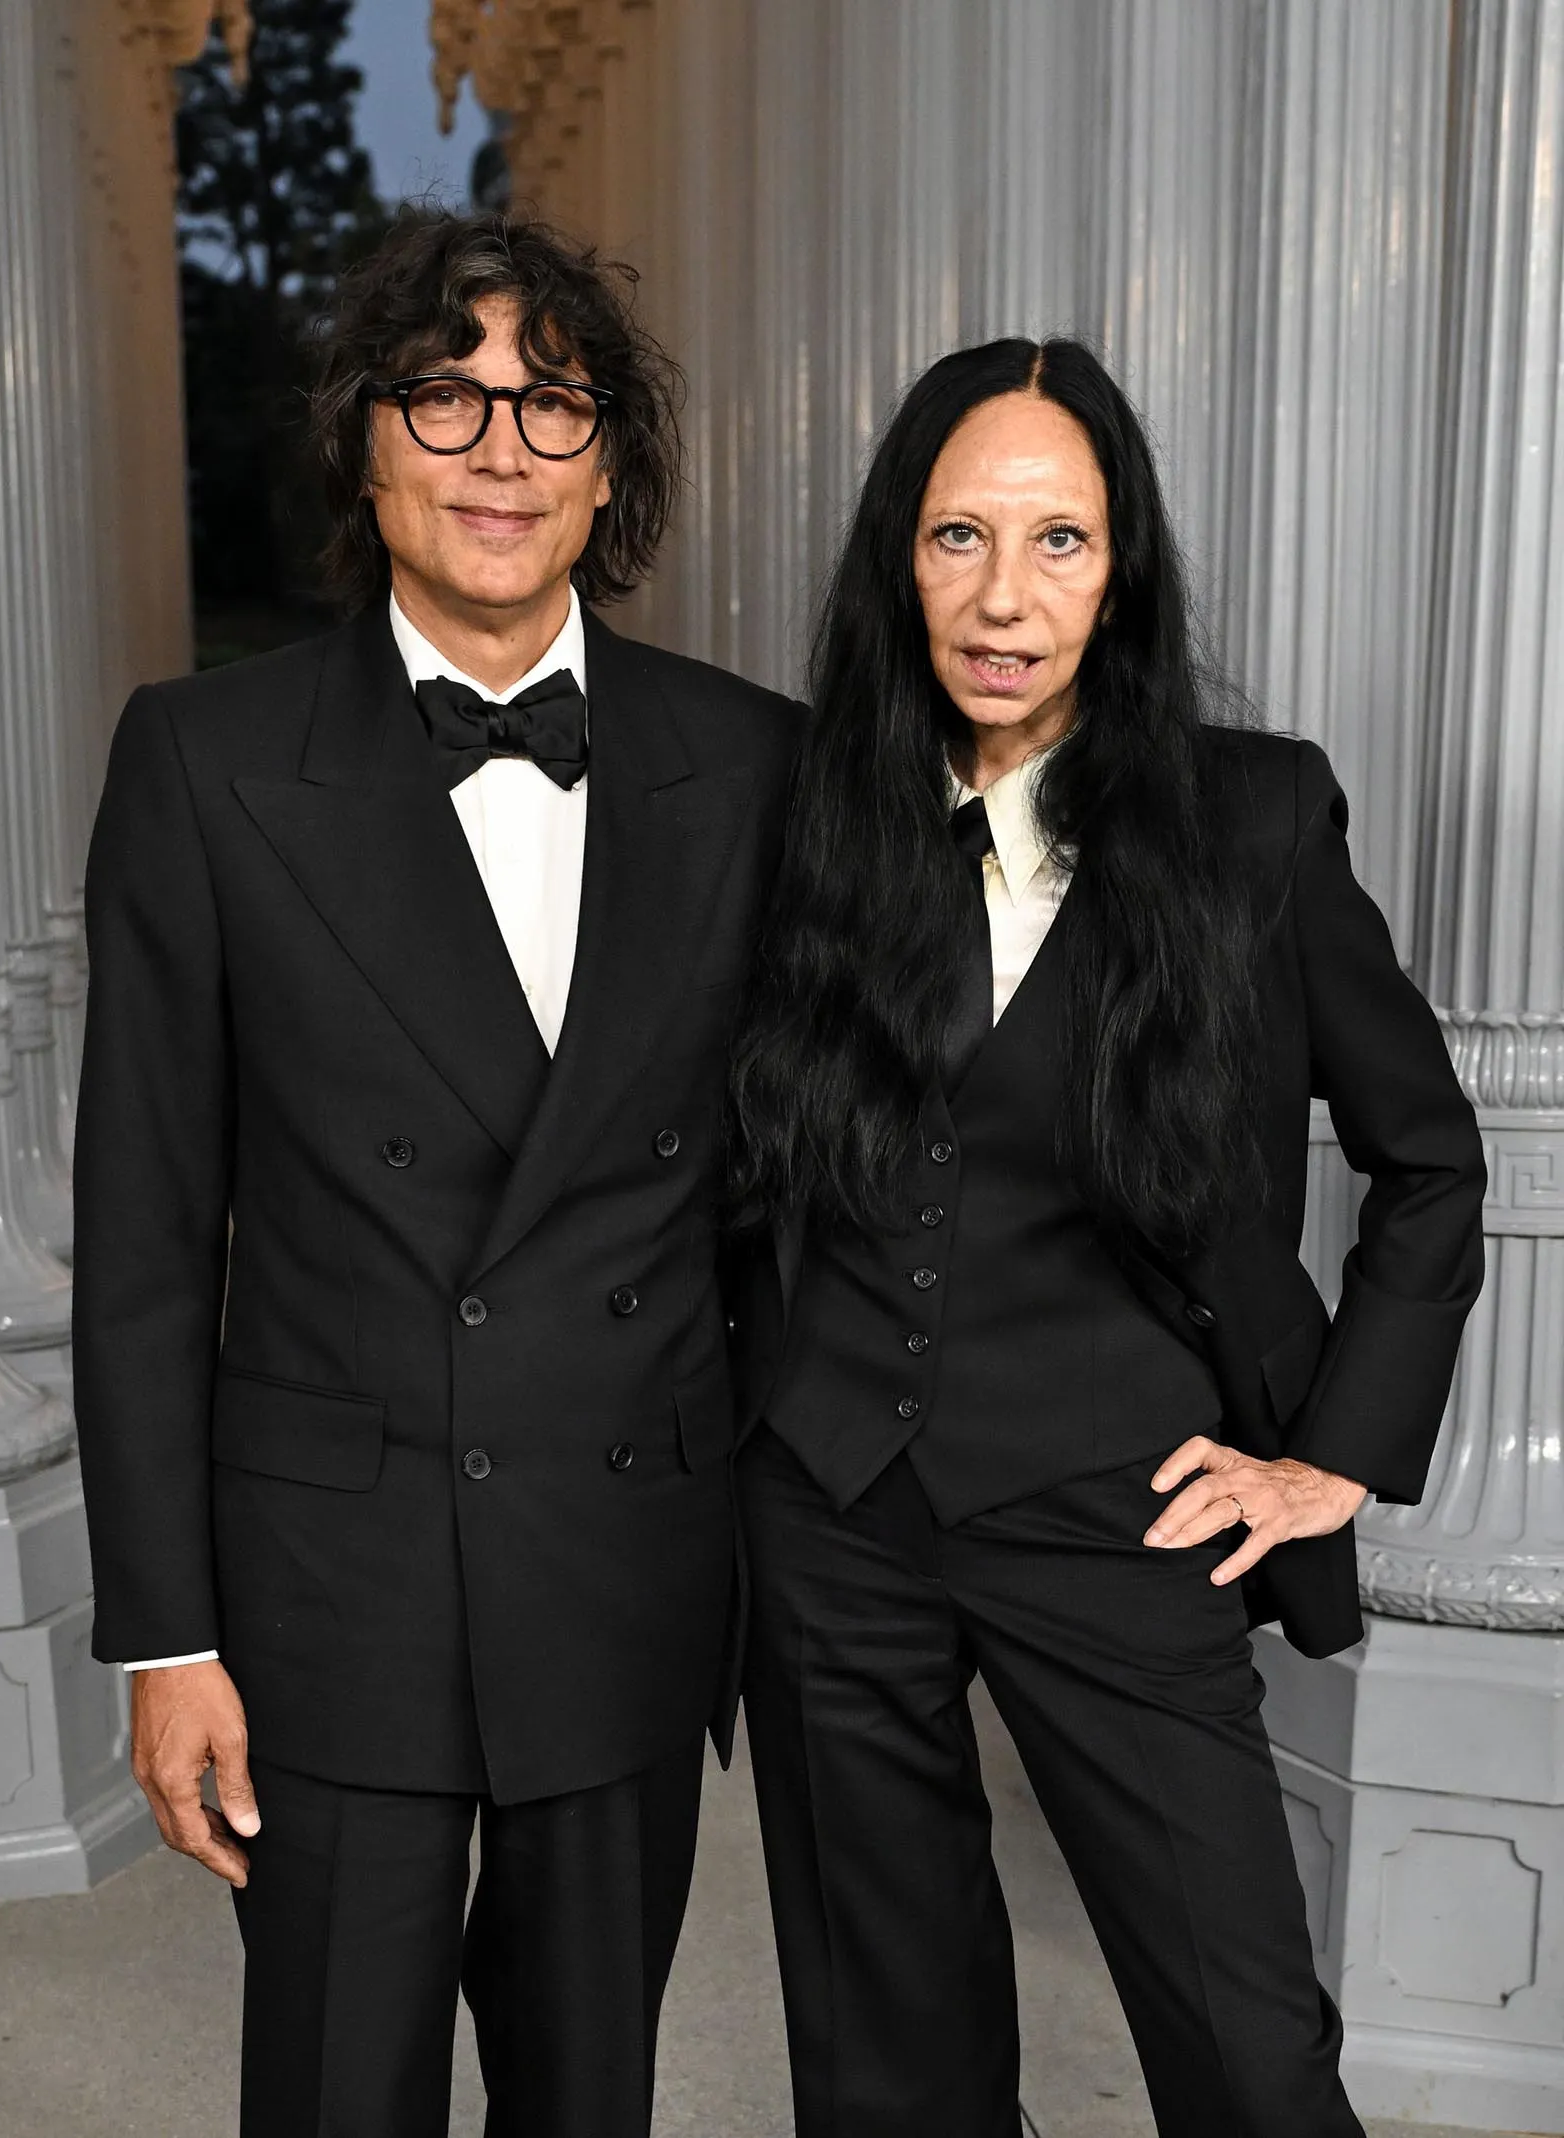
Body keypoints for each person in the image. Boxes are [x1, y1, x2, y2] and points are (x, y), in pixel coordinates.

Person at [72, 209, 799, 2138]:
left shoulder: (752, 763)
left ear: (610, 465)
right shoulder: (206, 759)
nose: (501, 450)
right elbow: (144, 1239)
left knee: (589, 2102)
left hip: (622, 1562)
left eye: (553, 404)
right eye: (444, 397)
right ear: (364, 443)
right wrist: (167, 1634)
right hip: (334, 1594)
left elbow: (798, 1200)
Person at [725, 337, 1486, 2138]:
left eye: (1059, 540)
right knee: (889, 2065)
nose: (1006, 597)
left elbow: (1431, 1161)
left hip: (1122, 1503)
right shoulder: (806, 814)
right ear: (898, 559)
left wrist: (1332, 1458)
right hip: (831, 1513)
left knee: (1248, 2056)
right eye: (959, 537)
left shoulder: (1252, 820)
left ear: (1122, 568)